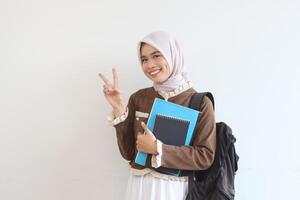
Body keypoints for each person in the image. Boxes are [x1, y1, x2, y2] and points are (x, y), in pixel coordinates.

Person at [99, 31, 216, 200]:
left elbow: (205, 156)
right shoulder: (139, 98)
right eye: (144, 59)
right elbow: (128, 153)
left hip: (175, 190)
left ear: (172, 55)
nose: (150, 64)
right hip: (139, 188)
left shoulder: (199, 101)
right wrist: (118, 108)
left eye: (156, 55)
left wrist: (158, 149)